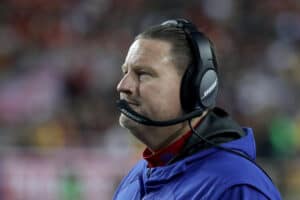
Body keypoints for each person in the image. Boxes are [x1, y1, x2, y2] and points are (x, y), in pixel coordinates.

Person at [113, 19, 281, 200]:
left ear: (194, 89)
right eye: (125, 72)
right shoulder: (135, 178)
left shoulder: (237, 187)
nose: (123, 86)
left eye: (143, 74)